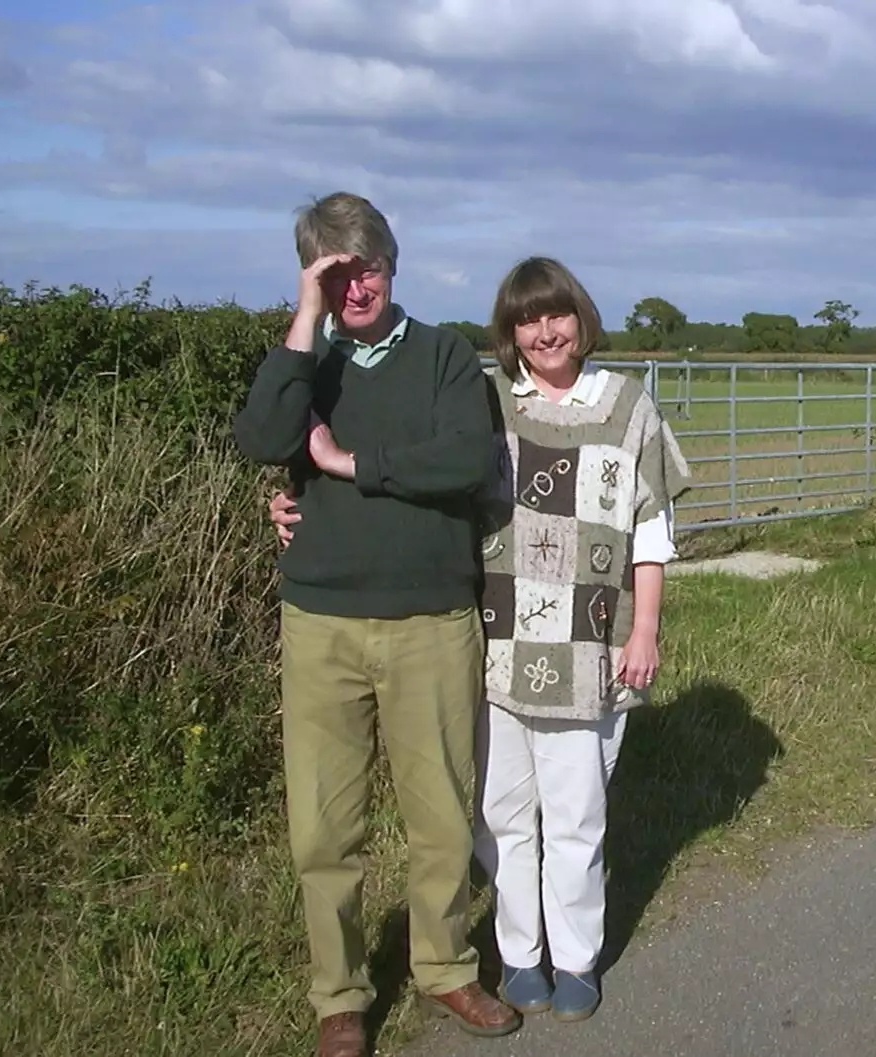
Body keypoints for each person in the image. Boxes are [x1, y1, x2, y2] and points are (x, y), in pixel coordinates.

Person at [270, 255, 692, 1023]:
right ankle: (519, 954)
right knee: (499, 814)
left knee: (575, 816)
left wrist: (645, 628)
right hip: (493, 644)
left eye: (556, 313)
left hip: (588, 648)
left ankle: (576, 958)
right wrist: (299, 499)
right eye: (526, 319)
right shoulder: (488, 399)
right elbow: (420, 479)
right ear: (509, 334)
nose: (544, 331)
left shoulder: (629, 407)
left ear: (581, 318)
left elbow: (651, 532)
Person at [233, 191, 520, 1057]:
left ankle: (445, 969)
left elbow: (465, 459)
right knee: (324, 824)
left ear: (393, 262)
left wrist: (345, 464)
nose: (358, 285)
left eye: (370, 266)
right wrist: (304, 320)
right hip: (321, 620)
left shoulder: (441, 356)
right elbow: (260, 437)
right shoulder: (306, 361)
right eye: (336, 272)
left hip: (431, 618)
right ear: (315, 277)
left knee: (439, 814)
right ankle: (341, 995)